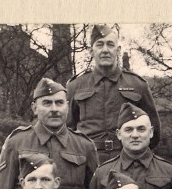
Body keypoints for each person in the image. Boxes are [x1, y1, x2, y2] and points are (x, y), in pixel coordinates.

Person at [0, 77, 98, 189]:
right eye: (47, 103)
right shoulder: (17, 142)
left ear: (67, 106)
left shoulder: (84, 145)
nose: (54, 109)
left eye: (59, 103)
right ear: (35, 108)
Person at [66, 24, 161, 165]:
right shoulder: (76, 86)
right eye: (100, 45)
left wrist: (136, 155)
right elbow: (67, 128)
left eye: (110, 45)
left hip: (127, 159)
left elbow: (154, 131)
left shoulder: (137, 84)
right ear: (91, 51)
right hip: (87, 160)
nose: (105, 50)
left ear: (118, 50)